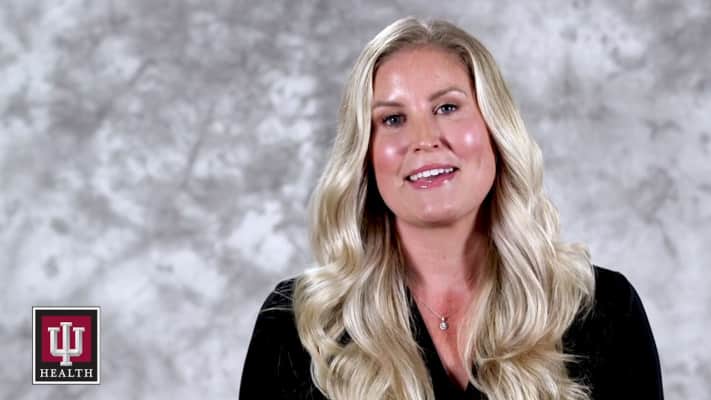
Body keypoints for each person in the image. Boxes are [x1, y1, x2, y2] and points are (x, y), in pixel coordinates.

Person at [239, 17, 663, 400]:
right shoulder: (300, 325)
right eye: (392, 119)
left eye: (447, 108)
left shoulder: (602, 309)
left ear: (495, 129)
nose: (424, 139)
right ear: (365, 154)